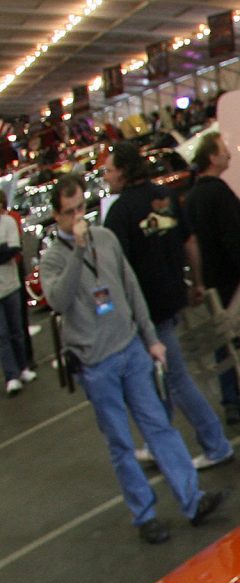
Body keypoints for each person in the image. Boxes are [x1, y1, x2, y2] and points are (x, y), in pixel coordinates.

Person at [41, 175, 222, 544]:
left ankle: (193, 499)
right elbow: (59, 301)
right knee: (121, 443)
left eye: (81, 209)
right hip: (97, 364)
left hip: (130, 349)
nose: (78, 217)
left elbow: (132, 288)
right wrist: (76, 250)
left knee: (158, 426)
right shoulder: (53, 260)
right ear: (56, 216)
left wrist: (151, 339)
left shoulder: (106, 239)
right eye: (69, 212)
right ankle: (144, 514)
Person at [102, 140, 235, 469]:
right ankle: (156, 441)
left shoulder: (119, 214)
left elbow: (111, 269)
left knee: (174, 377)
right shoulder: (164, 198)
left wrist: (108, 313)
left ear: (122, 171)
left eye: (108, 170)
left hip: (147, 308)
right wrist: (197, 281)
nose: (105, 177)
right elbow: (189, 241)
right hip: (173, 295)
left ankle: (215, 443)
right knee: (158, 377)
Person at [183, 130, 240, 424]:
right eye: (224, 149)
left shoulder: (193, 196)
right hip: (235, 280)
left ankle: (231, 401)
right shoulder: (221, 194)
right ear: (212, 157)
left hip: (211, 281)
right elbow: (234, 240)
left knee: (222, 344)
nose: (229, 153)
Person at [0, 208, 33, 394]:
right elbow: (6, 251)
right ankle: (11, 376)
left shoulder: (8, 222)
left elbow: (13, 250)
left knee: (17, 330)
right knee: (2, 335)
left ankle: (23, 368)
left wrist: (5, 251)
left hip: (11, 285)